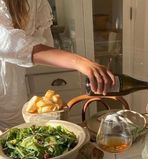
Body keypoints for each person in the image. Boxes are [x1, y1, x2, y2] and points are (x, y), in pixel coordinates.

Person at [0, 0, 115, 131]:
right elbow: (6, 43)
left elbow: (43, 44)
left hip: (13, 91)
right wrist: (79, 62)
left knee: (13, 137)